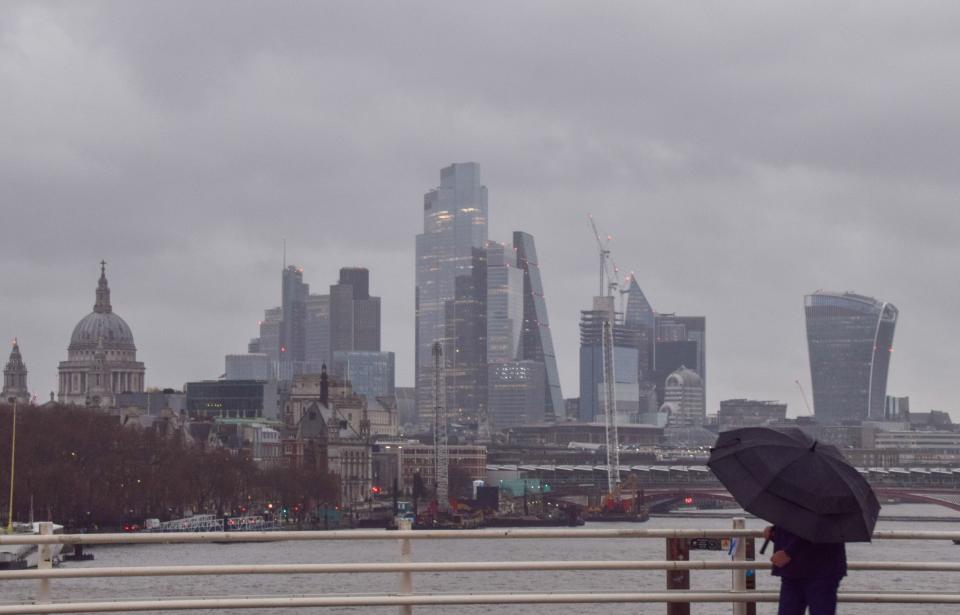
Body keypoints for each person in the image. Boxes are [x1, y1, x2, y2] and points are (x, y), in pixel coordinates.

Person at [764, 525, 847, 615]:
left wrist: (789, 552)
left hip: (822, 570)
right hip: (795, 571)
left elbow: (820, 528)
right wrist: (775, 531)